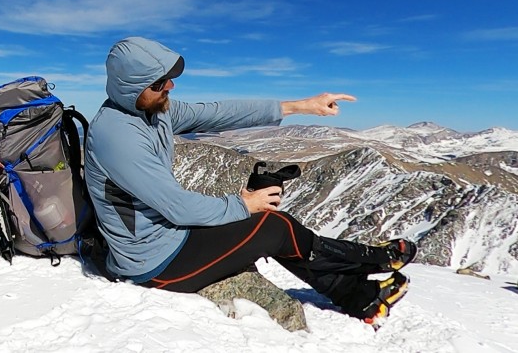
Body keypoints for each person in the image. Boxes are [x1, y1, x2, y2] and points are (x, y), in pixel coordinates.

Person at [84, 37, 416, 327]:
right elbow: (179, 206)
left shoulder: (152, 111)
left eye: (169, 79)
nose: (169, 87)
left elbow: (218, 112)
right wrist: (243, 204)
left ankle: (363, 296)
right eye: (158, 83)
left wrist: (300, 106)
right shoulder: (118, 137)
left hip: (169, 238)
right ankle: (370, 263)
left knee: (272, 226)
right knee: (271, 226)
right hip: (152, 262)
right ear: (131, 89)